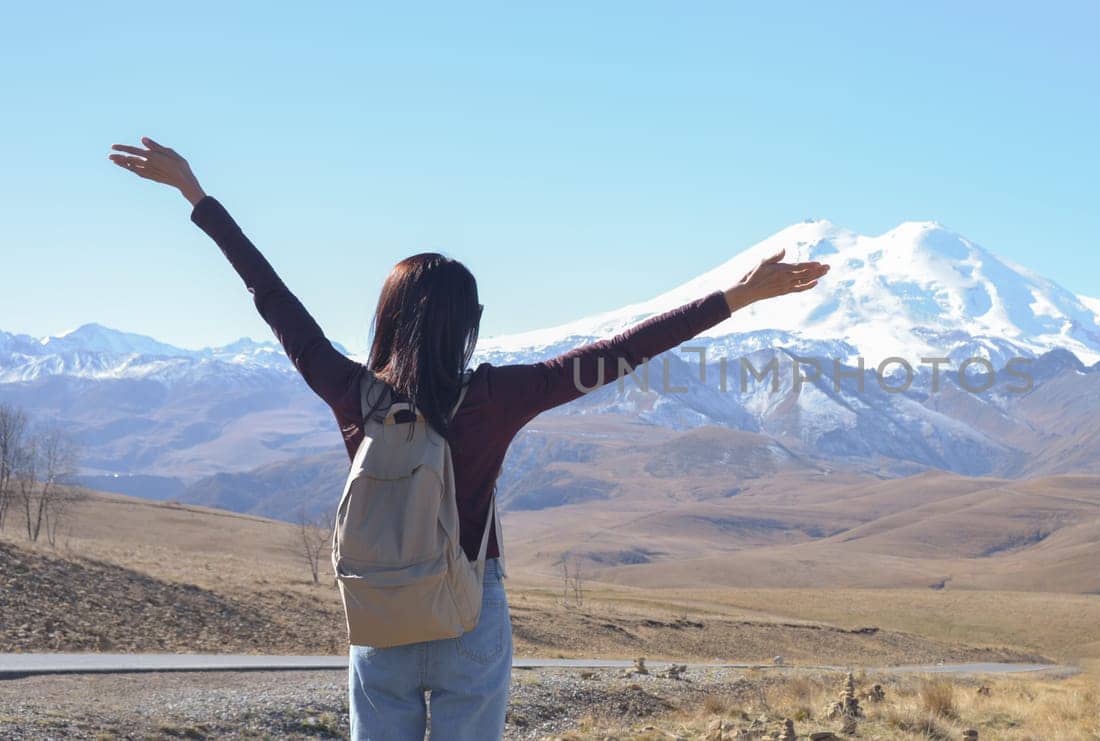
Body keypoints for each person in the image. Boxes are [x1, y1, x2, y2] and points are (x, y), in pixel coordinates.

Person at [108, 137, 829, 740]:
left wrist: (196, 195)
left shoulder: (351, 392)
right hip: (469, 614)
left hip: (381, 618)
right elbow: (625, 349)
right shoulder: (494, 397)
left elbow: (274, 299)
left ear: (388, 316)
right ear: (467, 322)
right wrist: (738, 295)